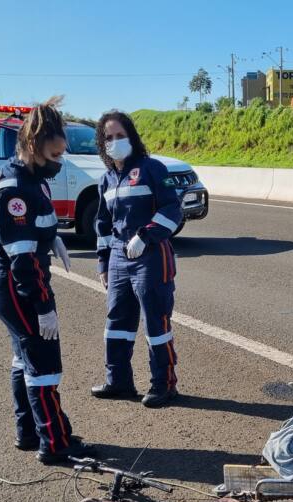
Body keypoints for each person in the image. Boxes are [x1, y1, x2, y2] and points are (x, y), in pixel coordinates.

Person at [0, 97, 92, 465]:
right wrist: (43, 307)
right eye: (53, 156)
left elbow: (33, 233)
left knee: (23, 357)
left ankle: (28, 432)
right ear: (32, 146)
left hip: (15, 278)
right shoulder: (16, 188)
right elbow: (23, 262)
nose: (58, 163)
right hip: (17, 283)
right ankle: (55, 442)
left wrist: (52, 238)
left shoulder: (31, 178)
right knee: (43, 362)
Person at [91, 111, 182, 408]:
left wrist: (146, 235)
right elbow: (103, 225)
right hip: (119, 256)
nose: (115, 142)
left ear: (132, 137)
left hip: (151, 255)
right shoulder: (106, 180)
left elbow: (173, 209)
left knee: (156, 320)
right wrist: (104, 263)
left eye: (120, 136)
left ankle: (164, 385)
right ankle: (118, 381)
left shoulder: (151, 168)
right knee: (117, 320)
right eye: (108, 138)